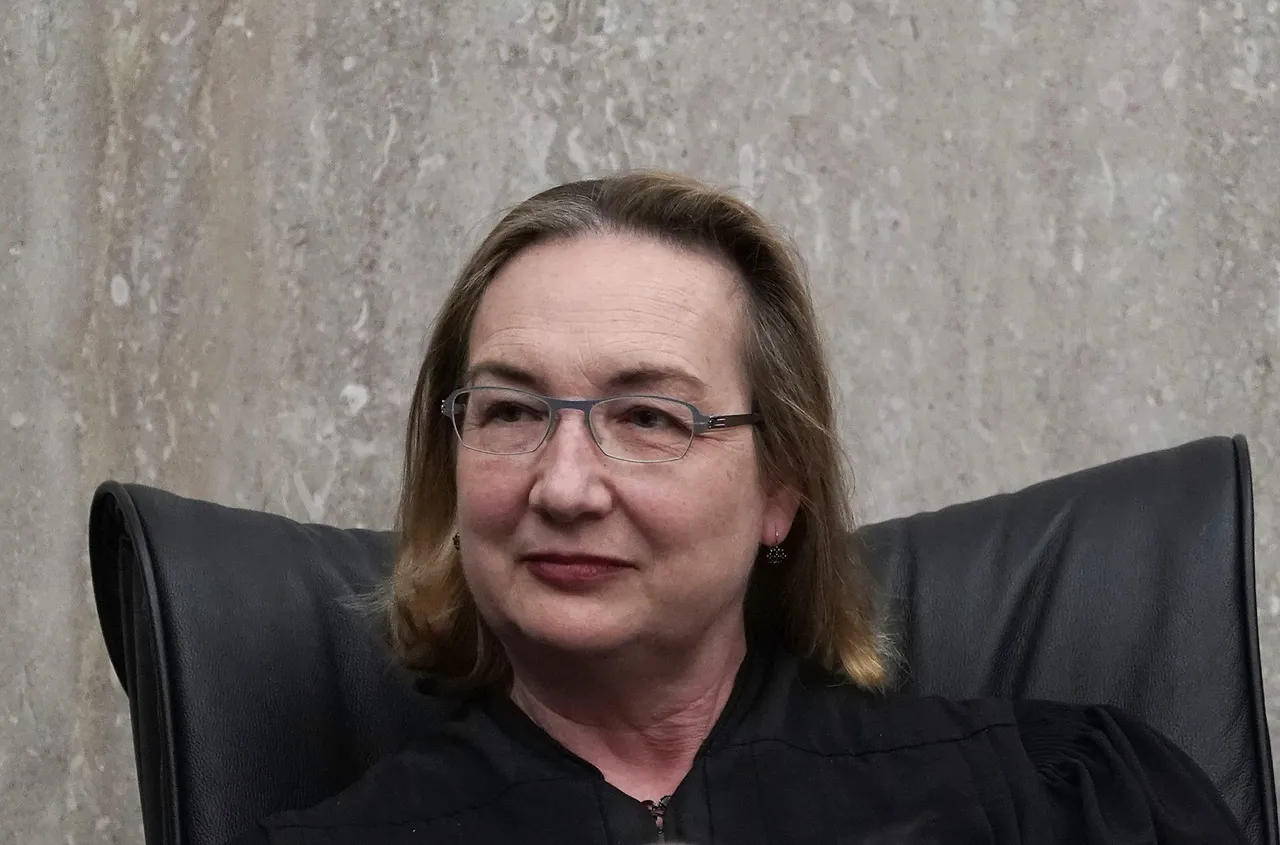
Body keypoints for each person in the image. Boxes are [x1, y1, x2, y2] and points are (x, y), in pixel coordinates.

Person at [228, 171, 1247, 844]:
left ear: (779, 485)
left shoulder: (1048, 798)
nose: (564, 484)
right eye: (509, 409)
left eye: (646, 415)